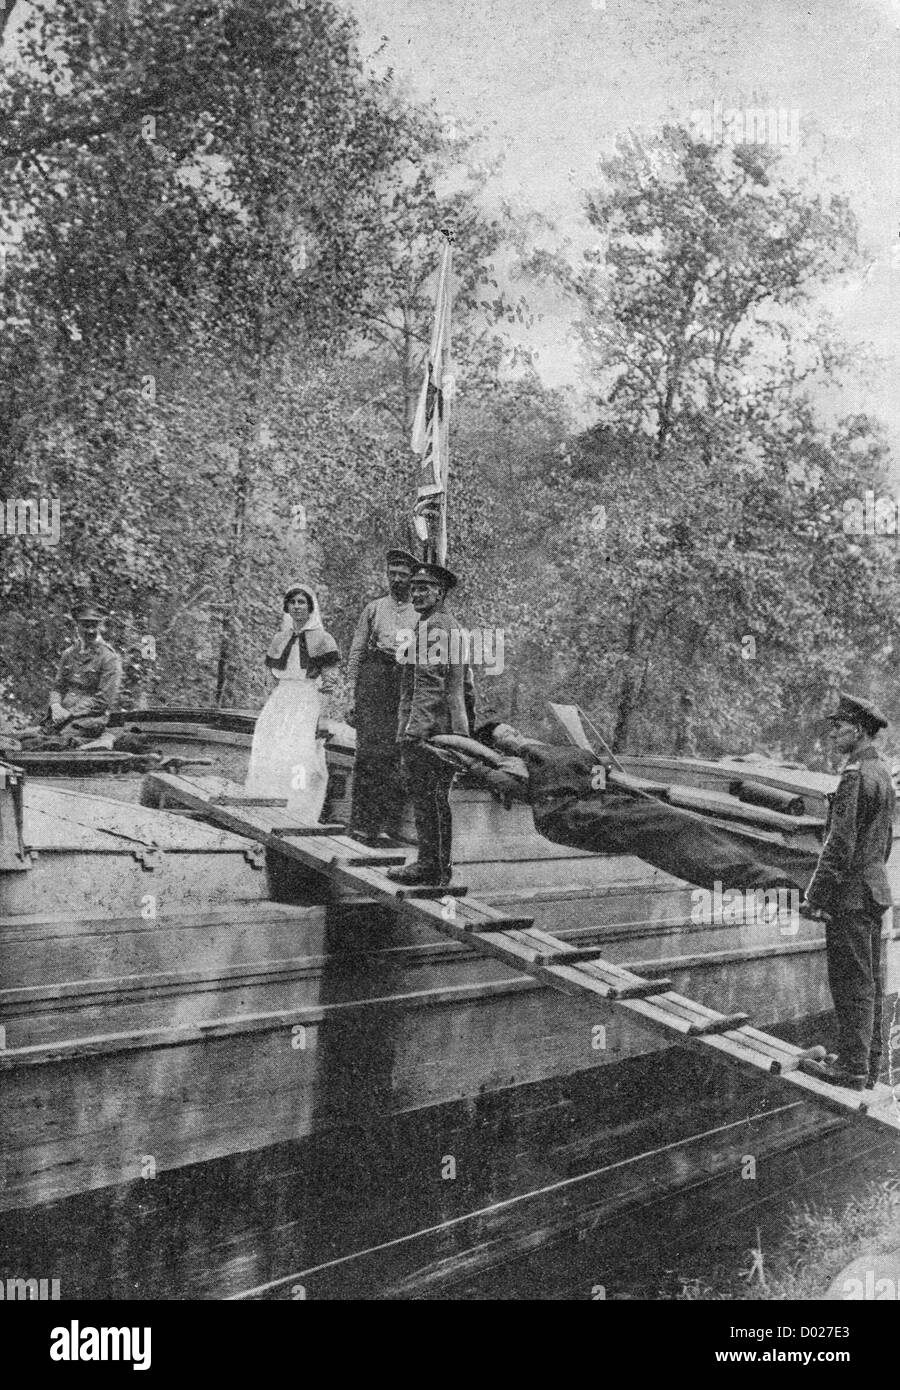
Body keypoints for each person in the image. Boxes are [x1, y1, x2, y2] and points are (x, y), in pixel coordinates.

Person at [801, 693, 895, 1090]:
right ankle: (868, 1067)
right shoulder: (882, 772)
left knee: (850, 982)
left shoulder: (855, 775)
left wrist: (816, 895)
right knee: (869, 981)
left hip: (851, 897)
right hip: (873, 892)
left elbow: (839, 843)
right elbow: (884, 841)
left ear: (857, 729)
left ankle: (853, 1068)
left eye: (838, 726)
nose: (833, 733)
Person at [386, 560, 473, 887]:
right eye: (414, 589)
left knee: (428, 798)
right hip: (443, 727)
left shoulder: (436, 627)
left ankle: (430, 866)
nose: (417, 594)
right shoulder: (441, 625)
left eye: (425, 589)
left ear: (441, 593)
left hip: (432, 730)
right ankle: (437, 867)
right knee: (435, 798)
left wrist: (414, 733)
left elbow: (429, 685)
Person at [244, 583, 340, 822]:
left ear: (310, 607)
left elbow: (329, 682)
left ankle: (297, 810)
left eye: (302, 602)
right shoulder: (280, 638)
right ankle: (265, 806)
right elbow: (271, 676)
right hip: (281, 701)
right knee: (270, 749)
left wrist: (323, 716)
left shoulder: (323, 639)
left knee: (299, 755)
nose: (297, 607)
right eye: (293, 602)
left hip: (306, 699)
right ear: (286, 607)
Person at [345, 548, 418, 844]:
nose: (397, 579)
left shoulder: (420, 612)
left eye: (403, 575)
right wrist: (351, 695)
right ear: (386, 575)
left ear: (412, 578)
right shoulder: (374, 608)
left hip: (403, 682)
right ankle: (361, 825)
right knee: (367, 754)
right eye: (393, 574)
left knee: (396, 755)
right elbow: (357, 651)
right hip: (373, 681)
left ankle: (387, 827)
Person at [20, 603, 122, 749]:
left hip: (89, 720)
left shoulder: (108, 658)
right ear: (77, 626)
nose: (90, 630)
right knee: (26, 740)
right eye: (85, 625)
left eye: (95, 625)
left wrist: (69, 713)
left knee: (53, 745)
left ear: (101, 626)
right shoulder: (69, 654)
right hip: (60, 717)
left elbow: (103, 700)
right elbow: (58, 686)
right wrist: (55, 706)